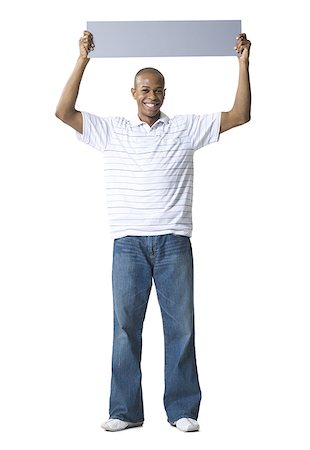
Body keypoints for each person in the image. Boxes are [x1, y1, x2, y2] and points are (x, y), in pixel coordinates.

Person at [55, 30, 251, 432]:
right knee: (125, 328)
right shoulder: (111, 131)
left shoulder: (185, 128)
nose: (152, 96)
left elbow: (240, 115)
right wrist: (82, 60)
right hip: (127, 243)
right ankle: (124, 411)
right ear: (133, 93)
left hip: (173, 242)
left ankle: (182, 410)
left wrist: (243, 64)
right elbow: (63, 111)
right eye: (145, 89)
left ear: (165, 93)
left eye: (158, 90)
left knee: (181, 327)